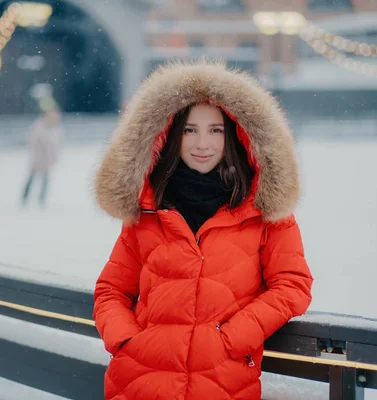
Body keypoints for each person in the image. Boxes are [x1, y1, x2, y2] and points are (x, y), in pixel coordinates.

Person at [93, 60, 314, 400]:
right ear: (169, 134)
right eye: (190, 129)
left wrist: (230, 339)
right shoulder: (148, 207)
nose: (202, 143)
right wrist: (126, 341)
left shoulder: (265, 210)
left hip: (222, 384)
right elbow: (112, 290)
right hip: (139, 382)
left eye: (215, 130)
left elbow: (292, 285)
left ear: (237, 134)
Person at [21, 96, 62, 206]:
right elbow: (34, 143)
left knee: (45, 179)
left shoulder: (54, 127)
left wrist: (53, 157)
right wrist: (38, 156)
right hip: (38, 158)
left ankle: (41, 199)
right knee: (33, 176)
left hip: (47, 159)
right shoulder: (39, 126)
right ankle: (25, 198)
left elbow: (55, 144)